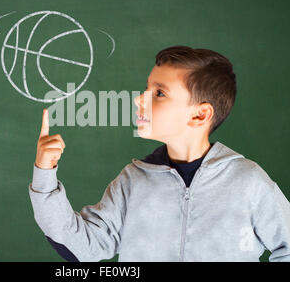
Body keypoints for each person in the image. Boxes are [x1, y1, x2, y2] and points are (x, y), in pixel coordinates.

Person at [29, 46, 290, 262]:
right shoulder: (133, 181)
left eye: (160, 93)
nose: (139, 99)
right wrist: (44, 174)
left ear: (200, 114)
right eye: (147, 89)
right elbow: (81, 246)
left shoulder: (248, 182)